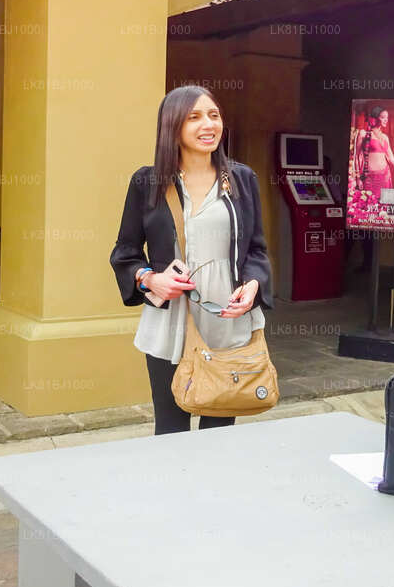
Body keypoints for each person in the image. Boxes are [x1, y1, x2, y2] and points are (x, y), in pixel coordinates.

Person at [110, 85, 272, 436]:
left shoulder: (242, 180)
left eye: (214, 115)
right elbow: (125, 253)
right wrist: (151, 280)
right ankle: (173, 490)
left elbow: (257, 250)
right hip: (171, 323)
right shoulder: (147, 182)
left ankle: (214, 490)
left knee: (220, 425)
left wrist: (254, 285)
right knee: (170, 429)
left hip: (227, 318)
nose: (208, 125)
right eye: (194, 117)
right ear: (173, 127)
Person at [350, 105, 394, 203]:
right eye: (383, 117)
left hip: (385, 176)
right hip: (369, 178)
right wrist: (358, 178)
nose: (386, 120)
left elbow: (391, 157)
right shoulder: (363, 134)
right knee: (369, 208)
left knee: (386, 206)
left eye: (387, 117)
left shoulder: (385, 137)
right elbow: (357, 156)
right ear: (374, 118)